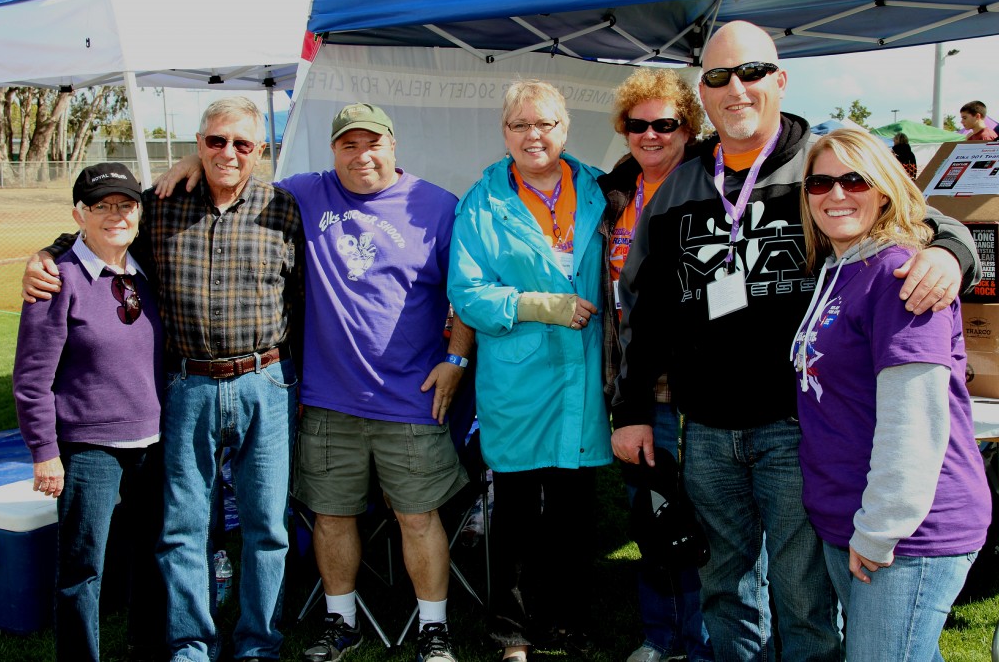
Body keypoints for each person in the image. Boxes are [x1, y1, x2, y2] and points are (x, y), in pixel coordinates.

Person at [609, 21, 981, 662]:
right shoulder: (681, 186)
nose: (737, 89)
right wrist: (635, 409)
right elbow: (645, 310)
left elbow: (927, 217)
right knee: (725, 587)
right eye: (720, 78)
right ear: (705, 92)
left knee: (804, 597)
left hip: (797, 425)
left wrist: (950, 253)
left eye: (751, 72)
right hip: (707, 429)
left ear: (779, 80)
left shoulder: (824, 166)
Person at [153, 102, 472, 662]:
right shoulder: (302, 194)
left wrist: (457, 358)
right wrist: (192, 159)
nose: (361, 155)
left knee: (418, 516)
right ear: (332, 152)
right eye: (348, 145)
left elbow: (468, 292)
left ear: (393, 146)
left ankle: (434, 628)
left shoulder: (437, 206)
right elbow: (234, 163)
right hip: (327, 401)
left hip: (411, 398)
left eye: (372, 143)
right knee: (330, 515)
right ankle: (339, 620)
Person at [23, 97, 304, 662]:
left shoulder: (282, 208)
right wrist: (48, 254)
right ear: (198, 144)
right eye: (216, 141)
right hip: (185, 385)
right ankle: (191, 645)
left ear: (261, 151)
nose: (229, 152)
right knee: (183, 529)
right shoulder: (161, 204)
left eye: (242, 144)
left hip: (264, 382)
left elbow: (298, 298)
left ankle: (257, 645)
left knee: (266, 528)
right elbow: (105, 230)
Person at [792, 127, 990, 661]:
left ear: (884, 188)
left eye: (854, 179)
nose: (836, 194)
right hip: (852, 520)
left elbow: (915, 423)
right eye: (820, 182)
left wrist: (880, 530)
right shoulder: (839, 267)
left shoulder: (900, 273)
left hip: (907, 533)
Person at [448, 80, 611, 662]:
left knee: (573, 510)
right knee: (515, 512)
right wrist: (538, 304)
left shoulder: (598, 189)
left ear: (565, 128)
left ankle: (568, 623)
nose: (533, 136)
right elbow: (467, 294)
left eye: (544, 124)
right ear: (505, 133)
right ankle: (509, 631)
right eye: (520, 125)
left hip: (585, 375)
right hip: (518, 376)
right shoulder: (482, 201)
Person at [12, 163, 166, 662]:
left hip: (153, 443)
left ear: (139, 213)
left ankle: (145, 648)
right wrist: (44, 453)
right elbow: (32, 379)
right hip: (88, 448)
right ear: (79, 214)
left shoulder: (148, 270)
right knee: (83, 567)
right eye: (101, 206)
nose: (115, 215)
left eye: (125, 204)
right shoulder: (59, 279)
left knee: (150, 556)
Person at [598, 68, 712, 662]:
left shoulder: (714, 184)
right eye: (637, 125)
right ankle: (662, 636)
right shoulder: (611, 193)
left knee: (712, 527)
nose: (650, 135)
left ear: (688, 128)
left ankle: (705, 642)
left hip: (704, 393)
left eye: (664, 124)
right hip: (636, 391)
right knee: (652, 516)